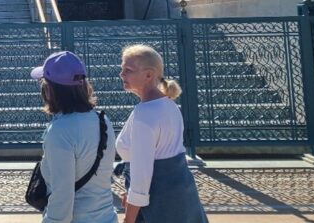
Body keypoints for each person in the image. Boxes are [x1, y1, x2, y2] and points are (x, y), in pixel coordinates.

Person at [116, 45, 208, 223]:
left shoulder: (145, 114)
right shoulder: (169, 105)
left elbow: (141, 176)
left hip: (158, 207)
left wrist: (129, 219)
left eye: (128, 70)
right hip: (181, 198)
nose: (121, 74)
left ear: (148, 75)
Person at [31, 51, 117, 223]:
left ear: (50, 90)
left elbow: (62, 194)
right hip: (106, 217)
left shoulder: (60, 131)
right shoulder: (102, 120)